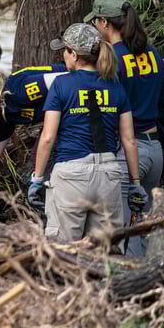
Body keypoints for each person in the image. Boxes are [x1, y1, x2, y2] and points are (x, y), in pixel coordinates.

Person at [32, 23, 143, 243]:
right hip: (108, 176)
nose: (63, 56)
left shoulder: (61, 85)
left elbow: (47, 137)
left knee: (63, 251)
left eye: (65, 51)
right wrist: (135, 183)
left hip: (71, 176)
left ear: (74, 54)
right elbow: (129, 140)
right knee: (105, 253)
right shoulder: (115, 86)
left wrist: (37, 179)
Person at [86, 0, 164, 255]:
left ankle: (130, 287)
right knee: (142, 228)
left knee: (124, 232)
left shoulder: (111, 61)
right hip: (154, 149)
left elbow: (105, 114)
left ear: (104, 23)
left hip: (127, 155)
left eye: (95, 22)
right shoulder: (153, 55)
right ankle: (150, 283)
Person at [0, 64, 68, 198]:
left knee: (46, 164)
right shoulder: (4, 115)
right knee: (37, 165)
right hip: (61, 116)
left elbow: (66, 79)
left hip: (80, 102)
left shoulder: (19, 90)